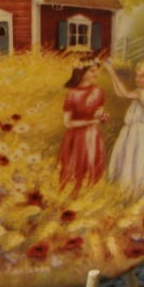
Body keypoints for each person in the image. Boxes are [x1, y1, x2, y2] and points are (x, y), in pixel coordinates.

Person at [103, 60, 144, 198]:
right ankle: (126, 190)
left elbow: (125, 93)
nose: (137, 79)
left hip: (139, 133)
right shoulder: (141, 92)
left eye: (141, 76)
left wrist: (112, 72)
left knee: (136, 159)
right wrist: (112, 75)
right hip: (131, 131)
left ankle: (137, 191)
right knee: (127, 158)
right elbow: (121, 93)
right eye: (137, 75)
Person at [58, 57, 108, 196]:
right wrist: (90, 122)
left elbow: (99, 112)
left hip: (92, 135)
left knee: (92, 162)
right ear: (82, 72)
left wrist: (102, 116)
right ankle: (71, 193)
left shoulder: (98, 91)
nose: (96, 74)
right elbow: (67, 122)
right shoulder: (72, 94)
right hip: (76, 136)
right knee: (75, 164)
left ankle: (90, 193)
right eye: (92, 71)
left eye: (97, 71)